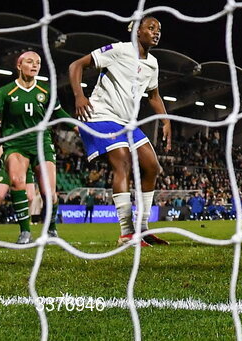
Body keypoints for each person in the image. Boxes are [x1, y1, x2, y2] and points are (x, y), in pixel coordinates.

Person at [68, 17, 173, 246]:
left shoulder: (152, 63)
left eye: (159, 29)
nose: (156, 32)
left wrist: (166, 121)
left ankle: (143, 230)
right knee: (122, 162)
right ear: (137, 31)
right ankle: (126, 233)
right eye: (151, 28)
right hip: (100, 115)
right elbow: (76, 65)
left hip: (127, 123)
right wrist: (79, 96)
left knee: (152, 166)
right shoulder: (118, 50)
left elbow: (153, 96)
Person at [0, 52, 69, 244]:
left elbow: (59, 113)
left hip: (41, 143)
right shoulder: (6, 91)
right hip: (16, 145)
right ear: (19, 64)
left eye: (38, 63)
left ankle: (51, 229)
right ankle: (25, 232)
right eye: (30, 62)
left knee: (49, 192)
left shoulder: (46, 90)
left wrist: (77, 127)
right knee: (14, 183)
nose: (35, 65)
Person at [0, 145, 38, 241]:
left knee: (31, 197)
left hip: (26, 164)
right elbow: (3, 144)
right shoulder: (15, 131)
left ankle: (25, 231)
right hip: (9, 161)